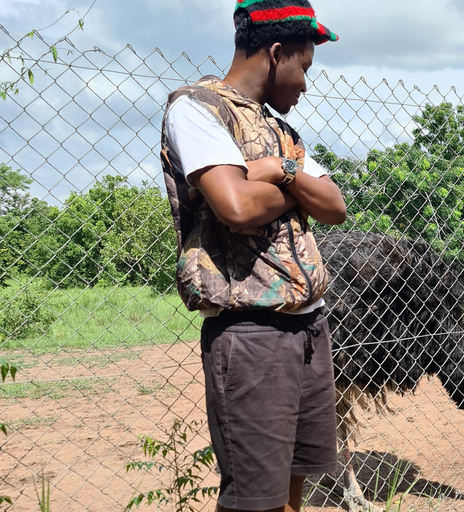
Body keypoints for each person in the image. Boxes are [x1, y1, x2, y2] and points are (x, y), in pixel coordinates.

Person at [160, 1, 345, 511]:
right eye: (304, 68)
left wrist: (277, 170)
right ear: (276, 52)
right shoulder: (197, 108)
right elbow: (237, 207)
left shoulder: (282, 134)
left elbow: (334, 206)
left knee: (293, 488)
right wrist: (296, 179)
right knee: (252, 499)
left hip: (309, 327)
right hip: (251, 335)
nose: (306, 84)